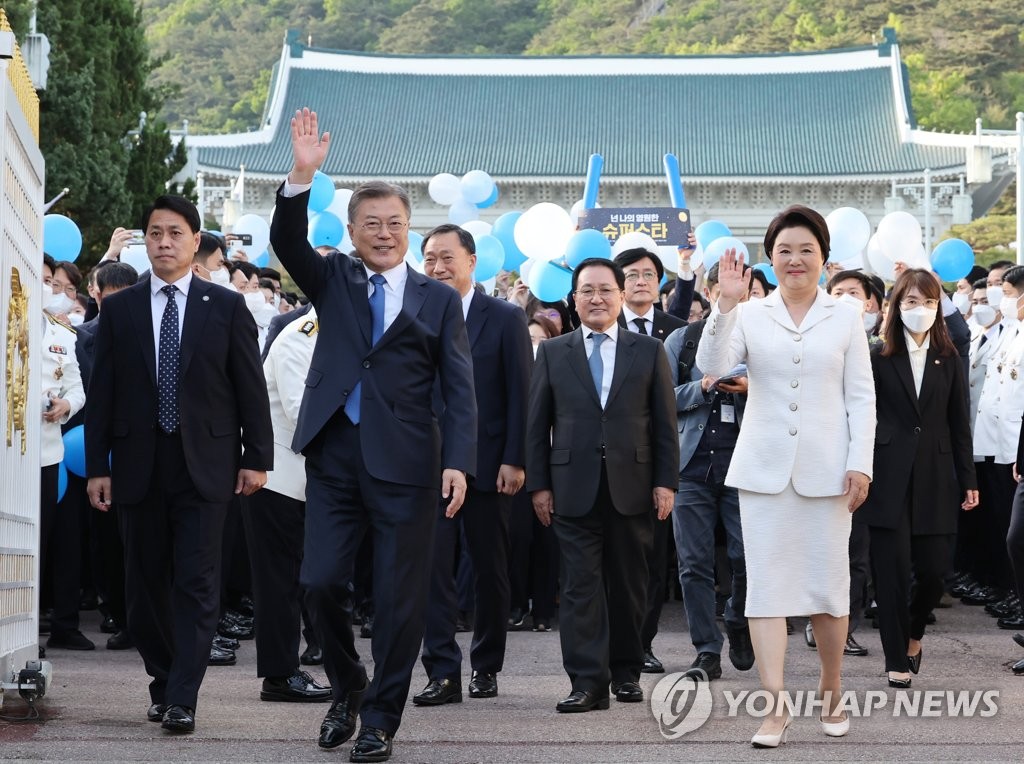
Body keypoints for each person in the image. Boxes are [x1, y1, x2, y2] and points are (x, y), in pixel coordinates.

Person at [269, 108, 476, 763]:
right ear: (353, 231)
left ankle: (382, 717)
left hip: (410, 468)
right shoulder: (332, 280)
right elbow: (287, 240)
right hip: (335, 457)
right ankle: (348, 685)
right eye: (371, 224)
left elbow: (458, 389)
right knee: (321, 583)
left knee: (397, 600)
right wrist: (302, 175)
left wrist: (460, 463)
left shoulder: (436, 300)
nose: (384, 234)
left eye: (394, 224)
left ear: (407, 231)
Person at [85, 194, 273, 734]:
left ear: (196, 241)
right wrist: (99, 465)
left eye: (174, 233)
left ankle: (183, 695)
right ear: (145, 242)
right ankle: (163, 679)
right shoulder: (119, 309)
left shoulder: (226, 306)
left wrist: (256, 457)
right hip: (138, 464)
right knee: (142, 590)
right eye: (154, 234)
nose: (163, 242)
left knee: (197, 581)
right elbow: (103, 394)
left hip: (207, 463)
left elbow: (248, 386)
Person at [696, 205, 875, 746]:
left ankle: (831, 686)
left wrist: (860, 462)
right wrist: (725, 304)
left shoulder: (846, 315)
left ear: (823, 257)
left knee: (827, 589)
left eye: (806, 250)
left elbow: (861, 398)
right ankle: (774, 708)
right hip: (765, 472)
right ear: (769, 261)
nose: (795, 260)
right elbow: (713, 366)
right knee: (767, 592)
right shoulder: (750, 314)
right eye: (783, 252)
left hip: (828, 472)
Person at [526, 257, 678, 713]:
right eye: (586, 290)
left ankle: (626, 672)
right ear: (573, 300)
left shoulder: (648, 350)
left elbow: (665, 426)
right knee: (579, 588)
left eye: (605, 290)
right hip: (571, 487)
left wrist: (665, 482)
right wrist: (539, 485)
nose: (596, 298)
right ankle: (587, 682)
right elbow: (537, 425)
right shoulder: (554, 352)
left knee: (630, 584)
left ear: (620, 294)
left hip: (634, 485)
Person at [415, 224, 532, 706]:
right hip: (426, 465)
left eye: (447, 258)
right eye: (429, 259)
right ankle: (442, 670)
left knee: (489, 568)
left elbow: (520, 393)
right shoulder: (412, 313)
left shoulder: (502, 317)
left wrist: (514, 459)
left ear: (470, 261)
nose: (438, 268)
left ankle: (486, 664)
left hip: (487, 466)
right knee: (432, 569)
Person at [856, 268, 977, 688]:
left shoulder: (950, 356)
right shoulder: (876, 354)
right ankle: (894, 658)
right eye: (910, 302)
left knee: (934, 572)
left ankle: (913, 635)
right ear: (895, 306)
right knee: (889, 570)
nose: (920, 310)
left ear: (938, 307)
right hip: (886, 474)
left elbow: (959, 422)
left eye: (928, 302)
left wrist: (969, 479)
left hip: (938, 475)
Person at [664, 262, 754, 682]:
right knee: (693, 563)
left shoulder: (762, 338)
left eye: (745, 288)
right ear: (712, 290)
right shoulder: (684, 340)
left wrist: (752, 389)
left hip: (747, 466)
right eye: (725, 287)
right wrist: (699, 387)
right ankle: (706, 648)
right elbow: (660, 400)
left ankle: (737, 616)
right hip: (692, 467)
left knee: (746, 556)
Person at [241, 305, 332, 704]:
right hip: (279, 479)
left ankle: (301, 663)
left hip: (309, 479)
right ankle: (279, 676)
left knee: (308, 578)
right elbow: (303, 415)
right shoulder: (301, 336)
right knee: (279, 583)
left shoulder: (339, 332)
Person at [613, 246, 687, 674]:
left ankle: (643, 642)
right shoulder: (597, 325)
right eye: (632, 274)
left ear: (659, 282)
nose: (640, 281)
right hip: (608, 459)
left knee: (652, 561)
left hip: (659, 460)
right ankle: (611, 643)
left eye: (648, 274)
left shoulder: (677, 331)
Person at [39, 256, 88, 652]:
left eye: (53, 282)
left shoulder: (63, 335)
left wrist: (66, 406)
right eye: (43, 281)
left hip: (49, 450)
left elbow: (77, 387)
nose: (51, 290)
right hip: (12, 452)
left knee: (47, 539)